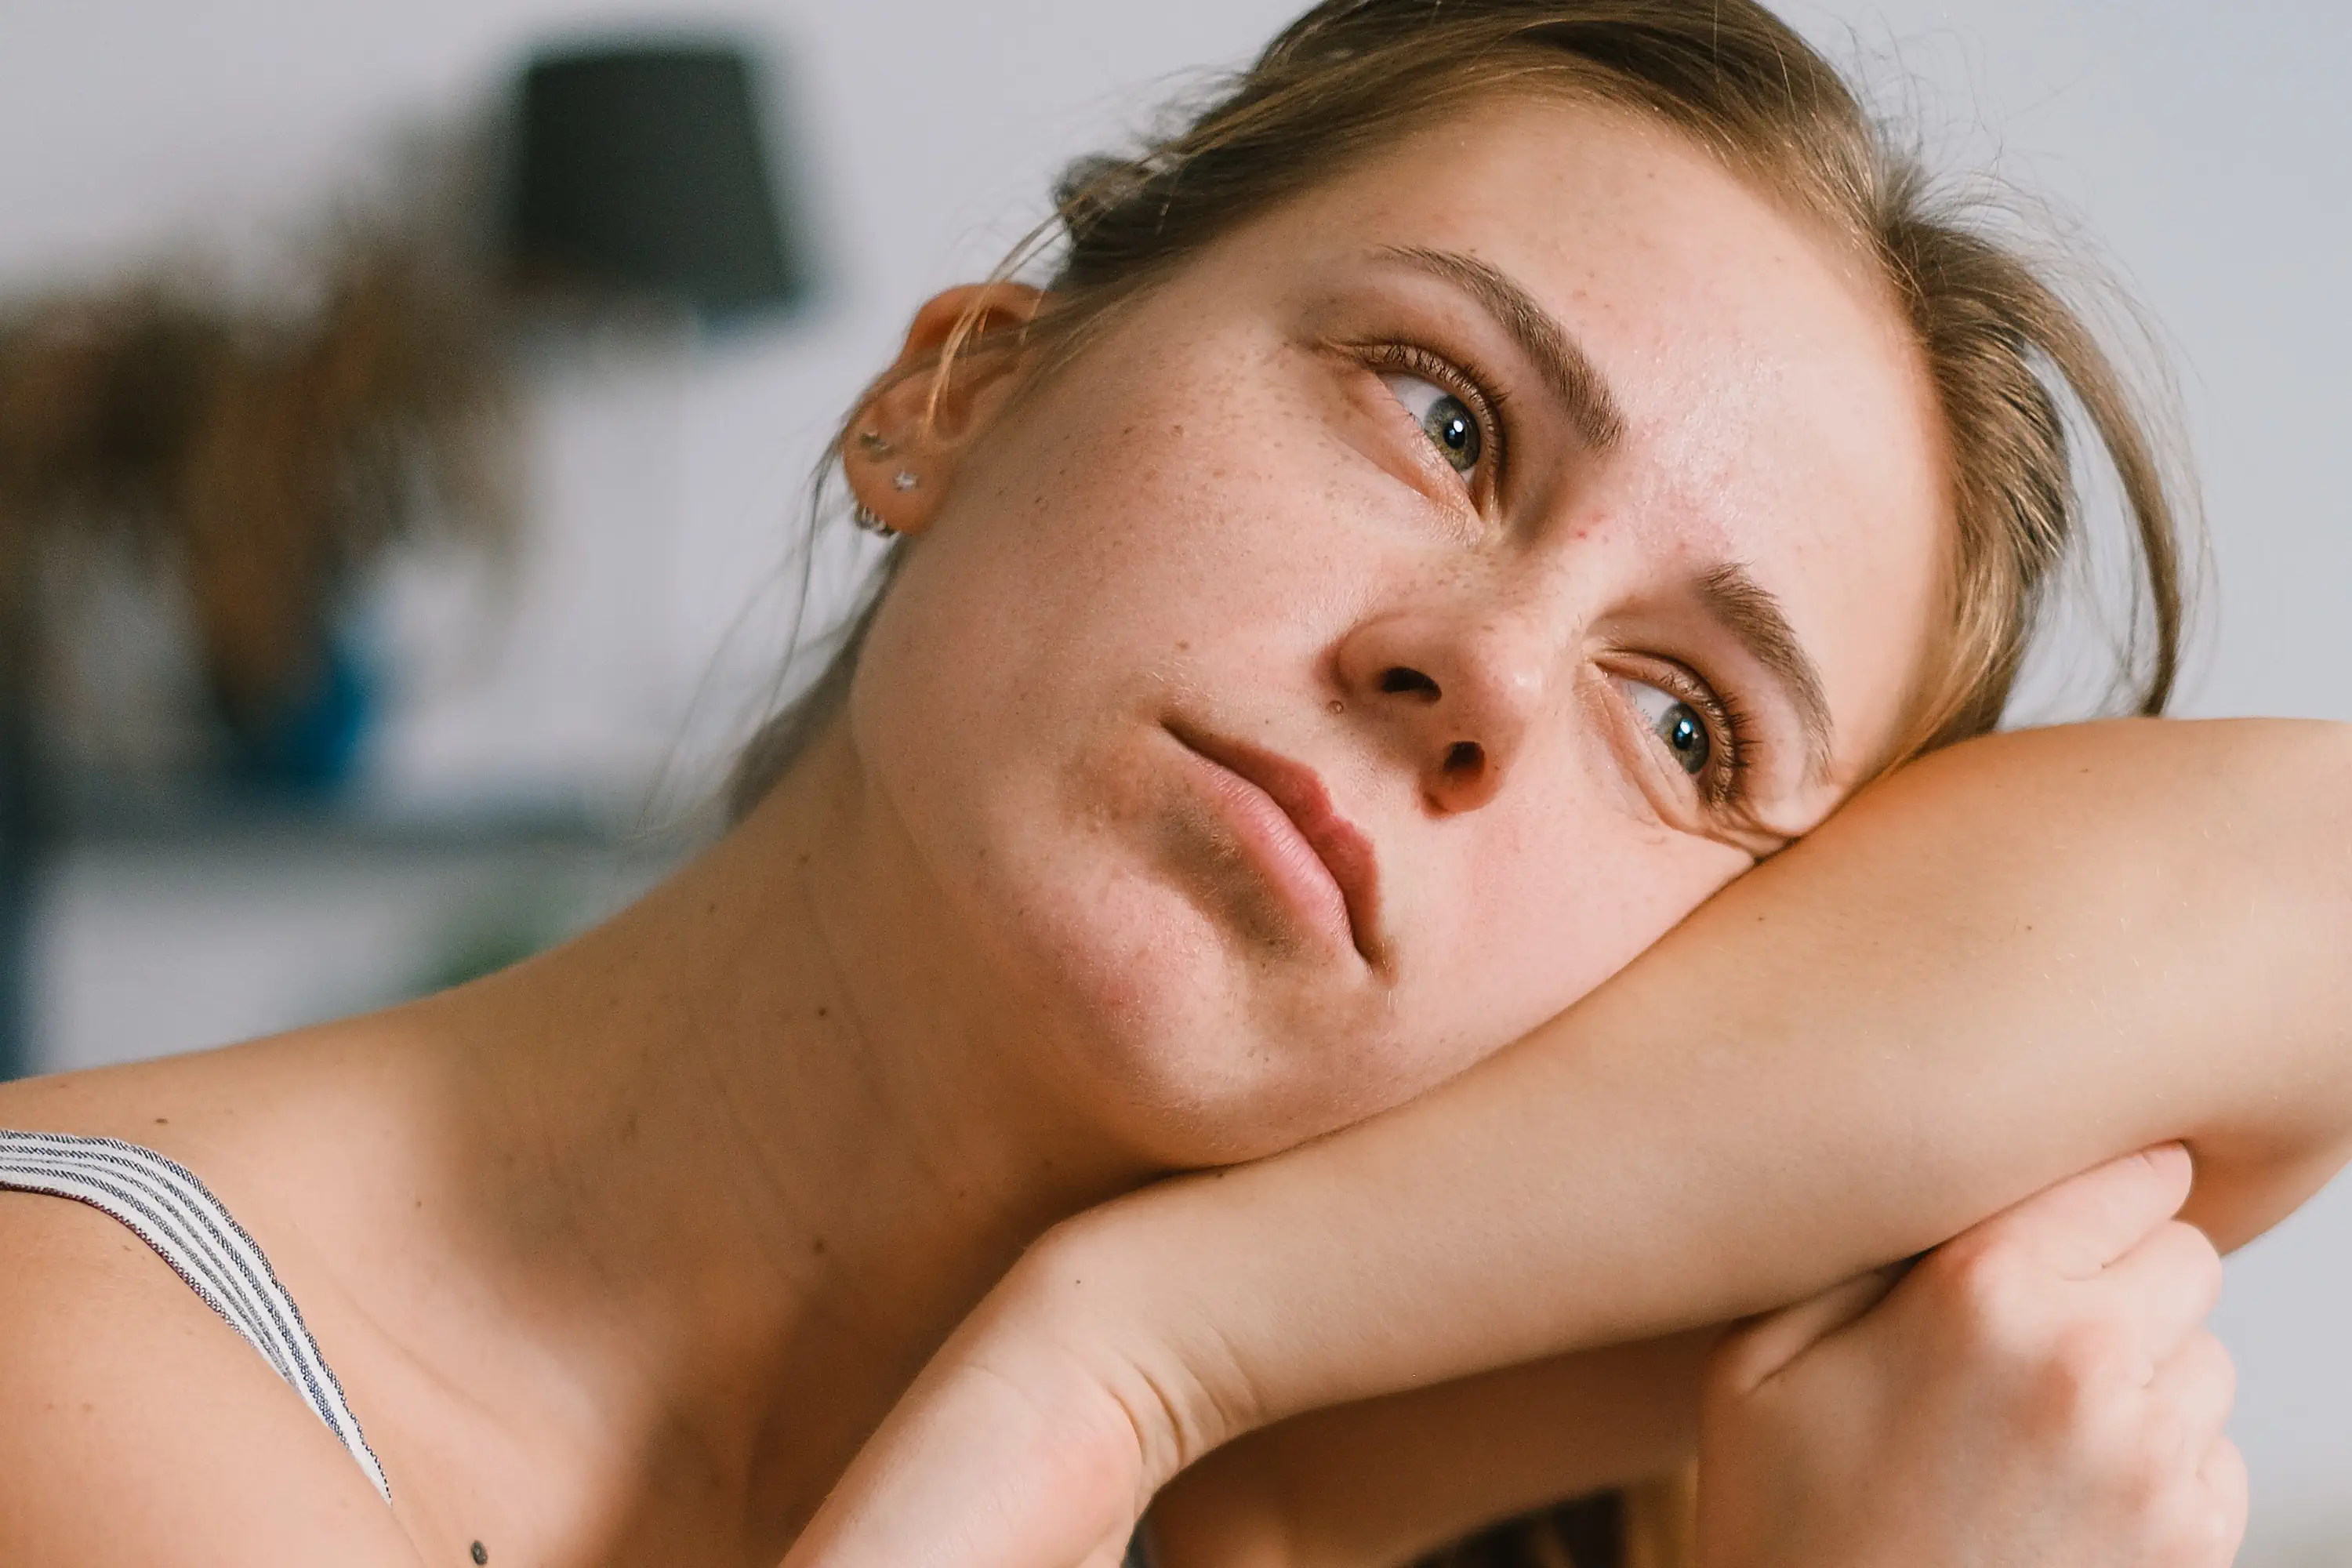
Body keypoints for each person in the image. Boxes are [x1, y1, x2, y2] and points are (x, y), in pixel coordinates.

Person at [0, 3, 2340, 1566]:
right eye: (1444, 414)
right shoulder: (84, 1378)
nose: (1487, 679)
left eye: (1692, 721)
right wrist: (1131, 1379)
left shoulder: (1267, 1451)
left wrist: (1146, 1348)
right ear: (962, 391)